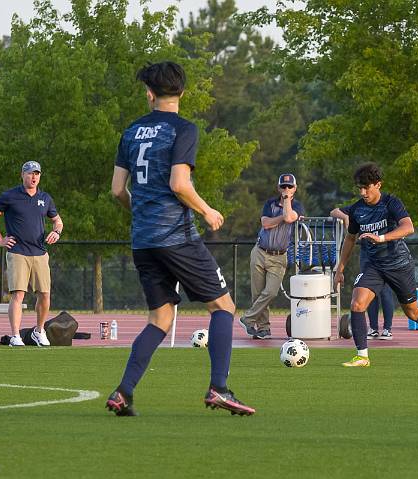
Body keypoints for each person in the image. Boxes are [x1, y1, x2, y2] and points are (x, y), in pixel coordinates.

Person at [106, 61, 255, 417]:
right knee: (224, 307)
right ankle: (218, 388)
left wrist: (143, 212)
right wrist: (207, 211)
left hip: (142, 240)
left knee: (160, 319)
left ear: (149, 93)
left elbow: (116, 191)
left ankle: (123, 392)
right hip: (176, 236)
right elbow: (179, 184)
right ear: (183, 93)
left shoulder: (130, 132)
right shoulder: (183, 130)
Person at [333, 163, 418, 367]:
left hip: (399, 264)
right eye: (359, 188)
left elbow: (408, 227)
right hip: (374, 266)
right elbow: (350, 239)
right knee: (357, 303)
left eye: (367, 187)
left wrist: (381, 238)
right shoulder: (356, 210)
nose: (363, 192)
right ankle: (362, 356)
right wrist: (340, 268)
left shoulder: (391, 203)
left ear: (378, 184)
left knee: (412, 312)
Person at [0, 161, 63, 347]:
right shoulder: (10, 196)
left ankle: (39, 331)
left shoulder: (45, 198)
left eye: (37, 174)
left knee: (44, 295)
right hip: (18, 252)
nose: (33, 177)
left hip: (40, 253)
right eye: (30, 173)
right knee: (18, 294)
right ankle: (15, 336)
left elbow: (58, 221)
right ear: (22, 175)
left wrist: (56, 232)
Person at [239, 174, 305, 339]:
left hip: (279, 256)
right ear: (278, 188)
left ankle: (247, 319)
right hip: (260, 251)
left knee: (271, 292)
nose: (286, 189)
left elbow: (290, 217)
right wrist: (283, 217)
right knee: (258, 293)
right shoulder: (270, 203)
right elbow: (266, 223)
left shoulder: (298, 205)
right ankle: (263, 329)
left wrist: (287, 204)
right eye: (283, 186)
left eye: (290, 187)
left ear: (295, 189)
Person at [330, 206, 395, 340]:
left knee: (385, 291)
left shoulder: (385, 206)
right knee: (368, 291)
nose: (365, 193)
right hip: (367, 255)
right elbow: (334, 211)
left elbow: (403, 226)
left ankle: (387, 329)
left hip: (385, 254)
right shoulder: (359, 207)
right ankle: (373, 328)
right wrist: (346, 217)